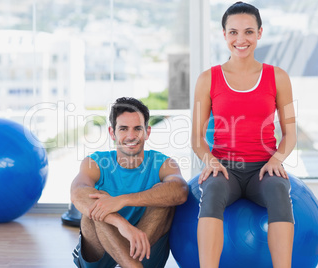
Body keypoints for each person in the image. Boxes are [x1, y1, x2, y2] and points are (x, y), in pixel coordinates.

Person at [191, 2, 296, 268]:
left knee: (280, 193)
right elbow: (196, 137)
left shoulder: (278, 77)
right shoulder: (208, 79)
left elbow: (290, 132)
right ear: (224, 35)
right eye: (233, 32)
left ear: (260, 33)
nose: (241, 39)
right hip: (226, 169)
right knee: (212, 190)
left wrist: (276, 160)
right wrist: (210, 160)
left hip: (264, 169)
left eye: (248, 32)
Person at [71, 97, 188, 268]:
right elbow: (77, 193)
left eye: (137, 129)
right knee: (97, 201)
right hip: (101, 255)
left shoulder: (164, 163)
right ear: (112, 133)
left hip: (144, 251)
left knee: (164, 196)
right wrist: (121, 224)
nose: (131, 136)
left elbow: (181, 190)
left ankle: (130, 263)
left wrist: (122, 200)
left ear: (147, 132)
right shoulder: (95, 162)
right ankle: (130, 265)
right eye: (124, 129)